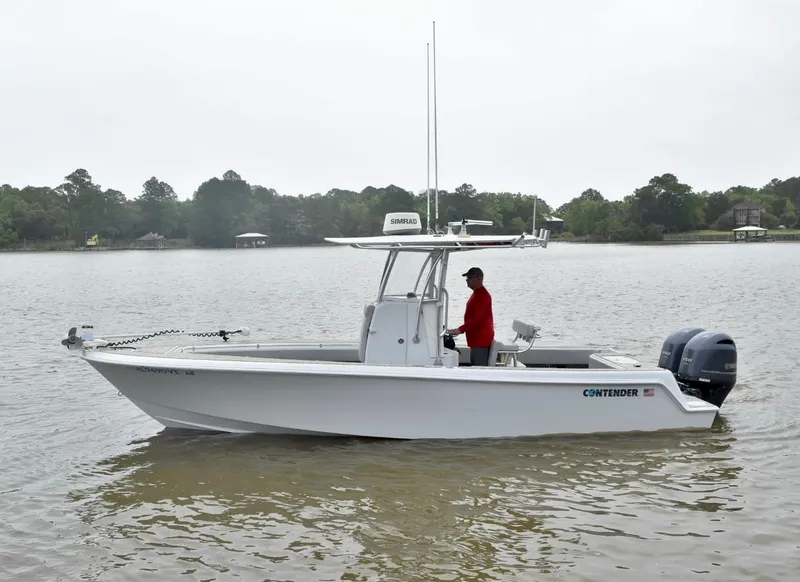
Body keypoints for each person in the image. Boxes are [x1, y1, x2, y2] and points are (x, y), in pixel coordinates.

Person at [447, 266, 495, 366]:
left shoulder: (482, 296)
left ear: (479, 278)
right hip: (476, 341)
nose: (467, 280)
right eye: (467, 278)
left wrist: (459, 330)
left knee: (479, 370)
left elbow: (476, 319)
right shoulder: (477, 294)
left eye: (469, 278)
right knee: (476, 366)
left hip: (481, 341)